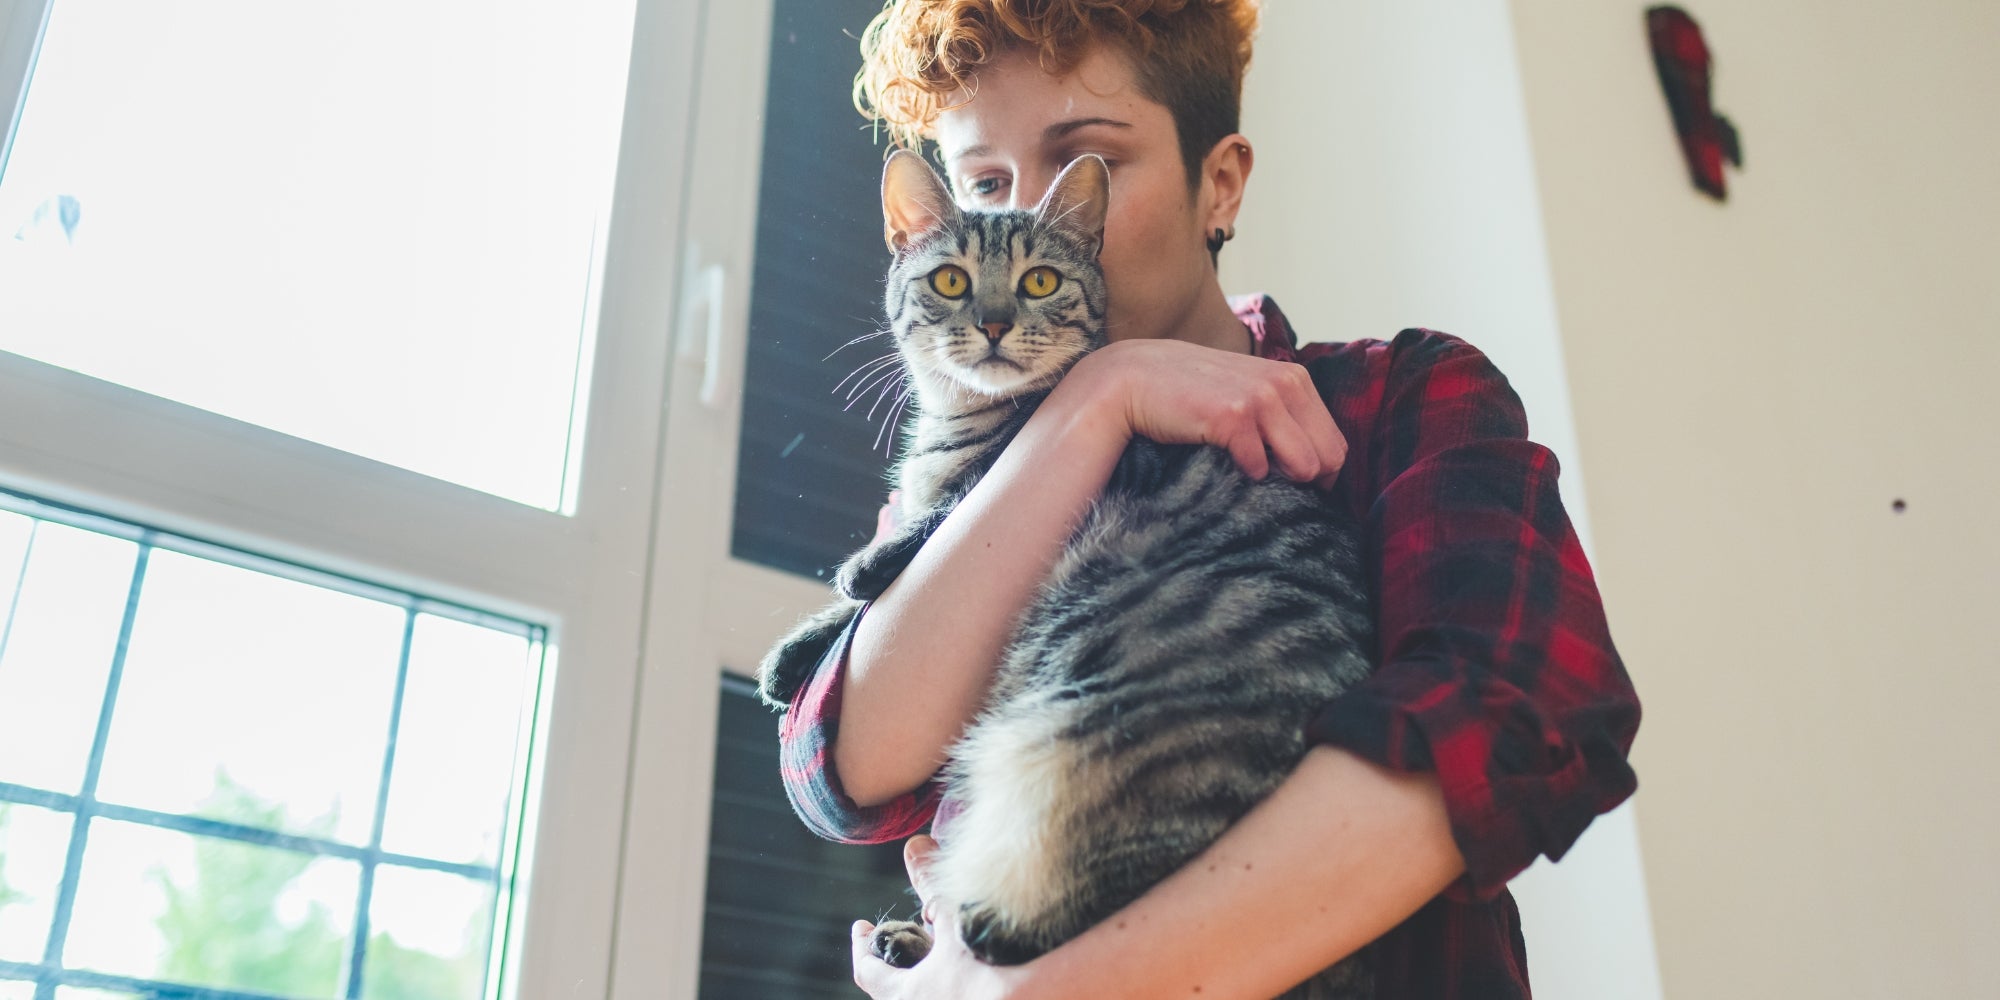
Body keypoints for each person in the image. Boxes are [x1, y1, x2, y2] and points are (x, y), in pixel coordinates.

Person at [776, 2, 1642, 997]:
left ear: (1218, 182)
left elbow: (1506, 711)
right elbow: (838, 768)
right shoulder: (978, 461)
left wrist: (1030, 993)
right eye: (980, 181)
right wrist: (1097, 399)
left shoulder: (1398, 399)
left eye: (1084, 158)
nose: (1019, 219)